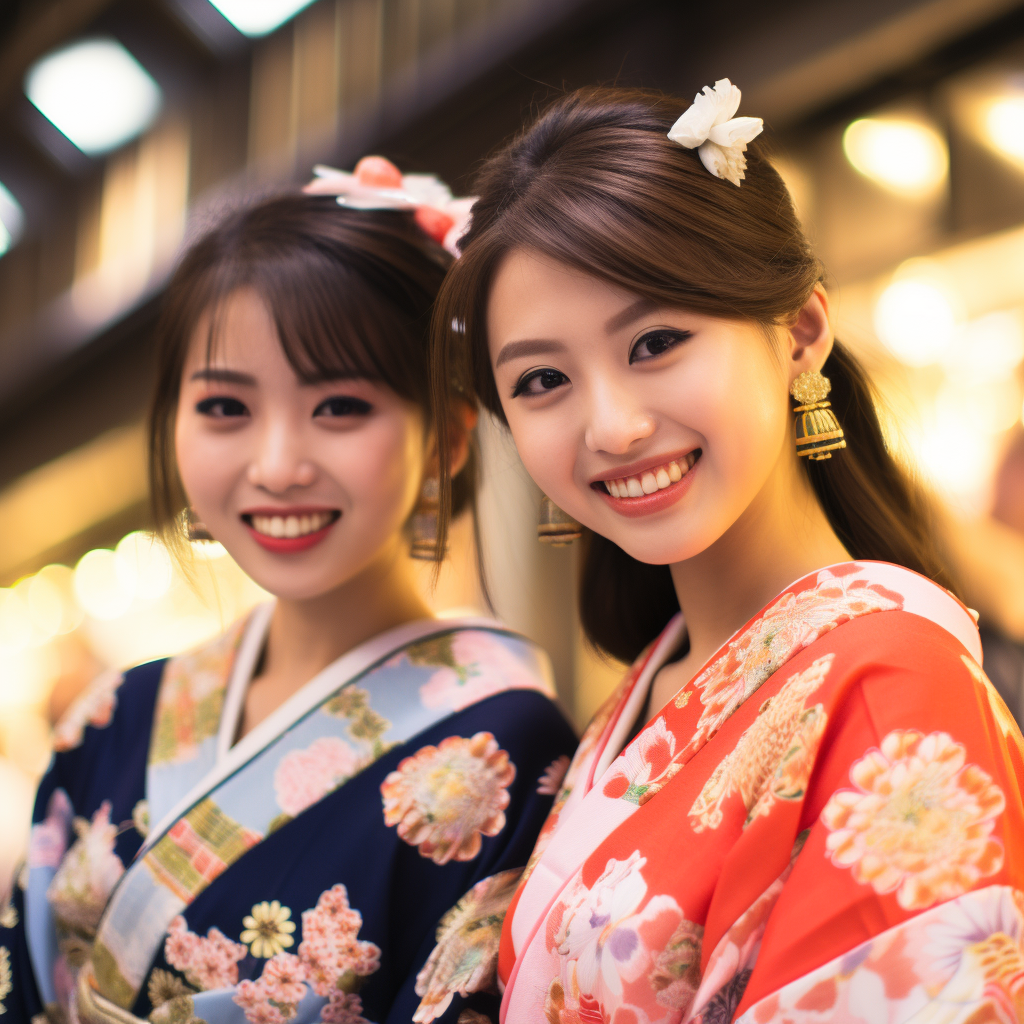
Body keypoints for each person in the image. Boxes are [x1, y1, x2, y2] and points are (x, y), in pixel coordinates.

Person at [426, 83, 1024, 1023]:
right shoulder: (654, 681)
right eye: (543, 380)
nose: (613, 426)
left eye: (657, 341)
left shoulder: (890, 682)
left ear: (799, 334)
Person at [0, 162, 577, 1024]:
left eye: (340, 406)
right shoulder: (120, 709)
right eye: (226, 408)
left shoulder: (502, 745)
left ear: (446, 439)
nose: (276, 466)